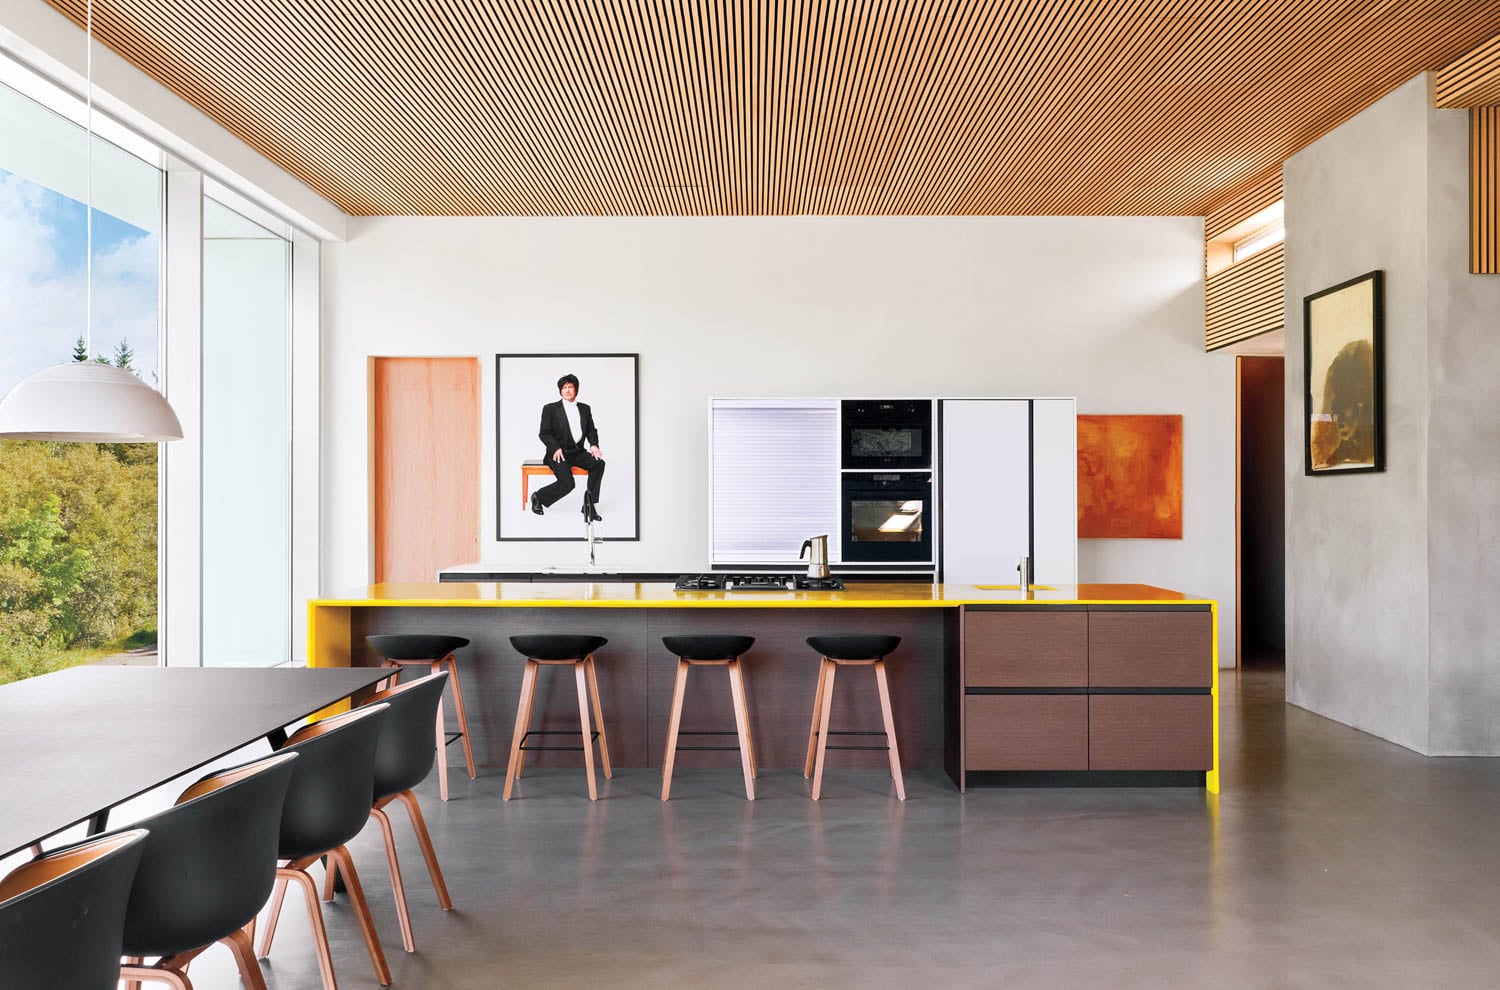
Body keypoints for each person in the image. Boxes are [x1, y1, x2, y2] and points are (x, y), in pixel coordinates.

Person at [531, 373, 605, 520]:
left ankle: (589, 505)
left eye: (570, 387)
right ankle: (538, 496)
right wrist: (555, 447)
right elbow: (544, 433)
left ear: (576, 389)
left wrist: (594, 445)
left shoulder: (585, 408)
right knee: (568, 484)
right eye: (564, 387)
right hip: (558, 453)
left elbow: (591, 429)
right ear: (560, 390)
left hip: (577, 452)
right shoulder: (550, 408)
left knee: (599, 464)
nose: (567, 390)